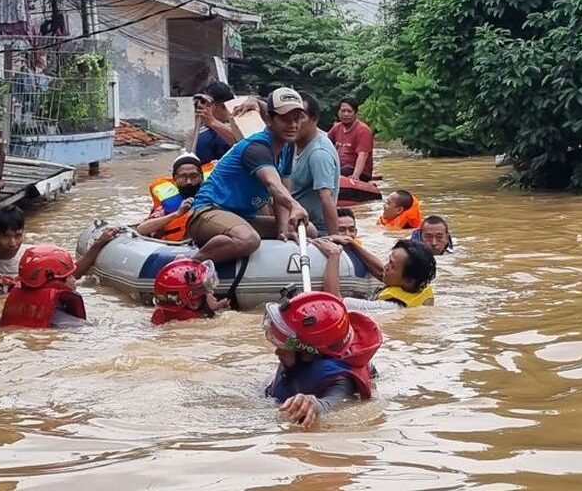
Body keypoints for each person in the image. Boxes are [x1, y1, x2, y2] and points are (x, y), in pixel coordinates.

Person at [187, 88, 311, 264]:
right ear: (269, 119)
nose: (293, 125)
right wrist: (294, 205)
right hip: (208, 211)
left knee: (308, 230)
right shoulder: (257, 147)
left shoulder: (288, 146)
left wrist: (283, 230)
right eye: (285, 119)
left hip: (243, 217)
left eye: (297, 119)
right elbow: (272, 184)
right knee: (248, 240)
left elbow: (283, 189)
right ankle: (191, 263)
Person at [0, 206, 115, 298]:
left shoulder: (34, 257)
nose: (13, 243)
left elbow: (72, 274)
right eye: (6, 237)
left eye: (18, 235)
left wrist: (98, 244)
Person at [263, 291, 382, 427]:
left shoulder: (341, 380)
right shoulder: (298, 360)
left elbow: (334, 404)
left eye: (283, 344)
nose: (277, 351)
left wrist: (313, 404)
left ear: (308, 351)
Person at [312, 238, 437, 312]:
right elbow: (380, 271)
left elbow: (335, 301)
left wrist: (333, 256)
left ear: (409, 280)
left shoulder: (388, 307)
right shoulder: (414, 285)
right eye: (389, 261)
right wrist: (352, 244)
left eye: (392, 266)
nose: (386, 266)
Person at [283, 92, 340, 237]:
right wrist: (257, 104)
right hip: (292, 216)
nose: (294, 123)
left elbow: (326, 199)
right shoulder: (295, 141)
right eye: (289, 118)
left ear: (314, 119)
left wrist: (334, 238)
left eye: (300, 118)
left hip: (312, 229)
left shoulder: (319, 153)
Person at [0, 245, 88, 328]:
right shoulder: (73, 324)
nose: (74, 279)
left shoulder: (6, 314)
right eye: (69, 275)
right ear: (54, 281)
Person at [140, 153, 206, 241]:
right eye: (183, 176)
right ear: (175, 179)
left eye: (194, 176)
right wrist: (177, 213)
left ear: (201, 177)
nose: (189, 181)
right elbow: (141, 229)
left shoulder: (213, 197)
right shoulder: (165, 206)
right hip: (174, 247)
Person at [150, 258, 231, 325]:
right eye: (207, 291)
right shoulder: (195, 322)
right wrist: (217, 312)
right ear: (193, 304)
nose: (212, 294)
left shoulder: (160, 314)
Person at [327, 98, 374, 182]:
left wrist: (355, 176)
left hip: (356, 171)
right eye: (343, 111)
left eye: (349, 111)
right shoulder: (336, 128)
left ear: (355, 113)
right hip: (340, 168)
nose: (346, 114)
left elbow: (363, 155)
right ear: (338, 113)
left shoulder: (363, 130)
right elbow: (324, 143)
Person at [193, 81, 238, 165]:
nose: (203, 107)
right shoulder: (196, 132)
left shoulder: (240, 126)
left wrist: (212, 122)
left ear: (222, 106)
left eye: (208, 103)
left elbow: (243, 143)